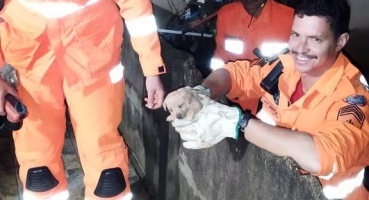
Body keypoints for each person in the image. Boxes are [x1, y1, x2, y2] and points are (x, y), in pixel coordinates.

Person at [169, 0, 369, 199]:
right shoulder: (285, 65)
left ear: (340, 42)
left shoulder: (353, 97)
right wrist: (202, 92)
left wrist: (238, 122)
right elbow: (238, 74)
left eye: (315, 39)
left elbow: (321, 157)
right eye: (295, 34)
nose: (300, 48)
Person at [0, 0, 166, 199]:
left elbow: (136, 7)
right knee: (38, 168)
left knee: (107, 171)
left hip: (94, 61)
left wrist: (152, 68)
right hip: (31, 66)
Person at [211, 0, 294, 113]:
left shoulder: (289, 18)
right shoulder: (226, 15)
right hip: (233, 100)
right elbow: (220, 59)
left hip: (272, 104)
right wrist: (212, 88)